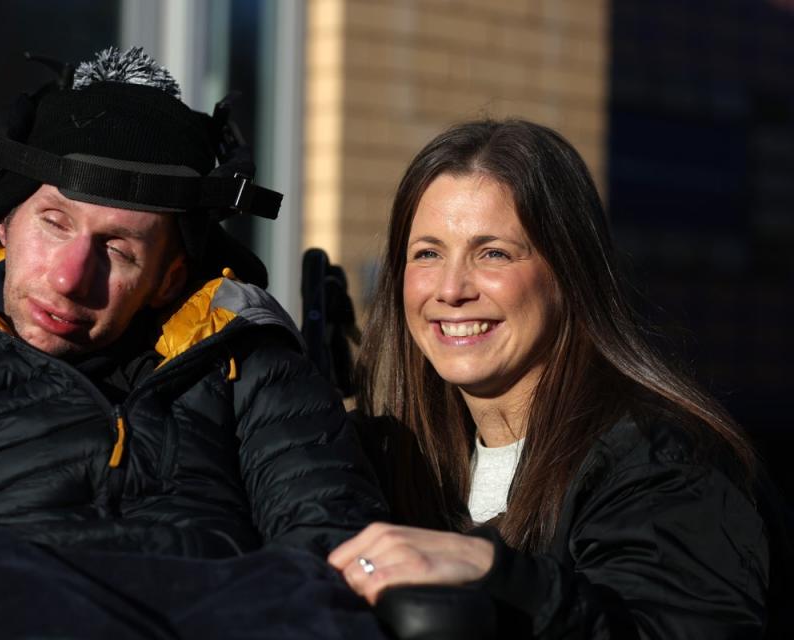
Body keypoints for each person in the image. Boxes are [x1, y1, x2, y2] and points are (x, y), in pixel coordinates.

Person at [0, 47, 387, 637]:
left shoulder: (251, 364)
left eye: (119, 251)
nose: (71, 277)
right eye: (54, 222)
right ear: (6, 223)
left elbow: (336, 554)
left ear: (168, 279)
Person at [328, 119, 790, 638]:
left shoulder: (664, 459)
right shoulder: (398, 457)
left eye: (493, 253)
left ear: (570, 271)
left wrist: (498, 575)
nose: (451, 289)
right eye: (428, 253)